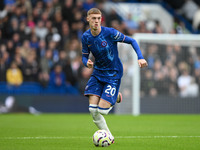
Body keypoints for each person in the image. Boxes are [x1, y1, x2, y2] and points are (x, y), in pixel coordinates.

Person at [81, 8, 148, 143]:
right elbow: (84, 56)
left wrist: (140, 57)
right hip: (98, 73)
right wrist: (86, 62)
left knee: (103, 111)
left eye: (99, 18)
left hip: (113, 73)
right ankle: (109, 137)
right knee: (92, 110)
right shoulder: (86, 37)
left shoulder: (110, 33)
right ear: (88, 19)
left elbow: (132, 41)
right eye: (94, 18)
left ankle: (116, 94)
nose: (96, 21)